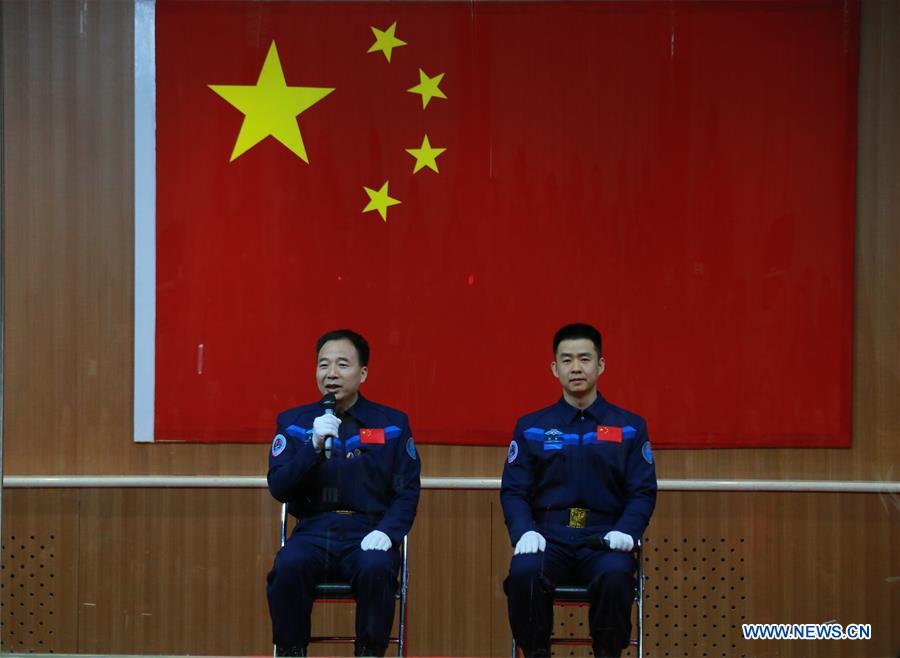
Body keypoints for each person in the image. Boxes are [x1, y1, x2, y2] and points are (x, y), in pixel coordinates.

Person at [501, 323, 657, 658]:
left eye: (585, 359)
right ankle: (536, 652)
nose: (576, 368)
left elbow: (642, 491)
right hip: (549, 537)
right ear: (554, 368)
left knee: (617, 578)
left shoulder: (629, 426)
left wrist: (627, 531)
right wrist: (524, 531)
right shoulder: (532, 427)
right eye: (567, 360)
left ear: (600, 365)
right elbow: (514, 490)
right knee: (524, 575)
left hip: (604, 538)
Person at [266, 329, 421, 657]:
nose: (331, 374)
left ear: (363, 373)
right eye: (323, 365)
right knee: (287, 566)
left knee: (377, 568)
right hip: (312, 532)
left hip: (367, 531)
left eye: (342, 365)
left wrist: (388, 532)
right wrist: (311, 446)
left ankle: (369, 652)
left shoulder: (391, 424)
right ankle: (291, 651)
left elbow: (407, 490)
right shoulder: (294, 423)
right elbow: (280, 488)